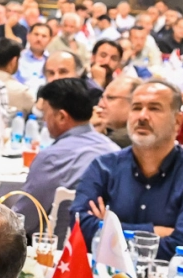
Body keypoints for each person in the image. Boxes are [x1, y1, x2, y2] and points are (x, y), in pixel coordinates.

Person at [73, 80, 183, 262]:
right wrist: (154, 232)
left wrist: (108, 229)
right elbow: (80, 226)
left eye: (154, 108)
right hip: (105, 274)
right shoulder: (104, 167)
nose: (142, 116)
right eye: (136, 108)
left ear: (177, 121)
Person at [14, 78, 117, 236]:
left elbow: (25, 219)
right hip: (105, 242)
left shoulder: (53, 158)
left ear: (62, 117)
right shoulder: (114, 151)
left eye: (46, 113)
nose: (44, 119)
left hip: (58, 245)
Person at [92, 75, 135, 148]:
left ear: (133, 102)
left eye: (110, 98)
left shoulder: (120, 139)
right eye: (102, 98)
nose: (100, 105)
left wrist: (92, 134)